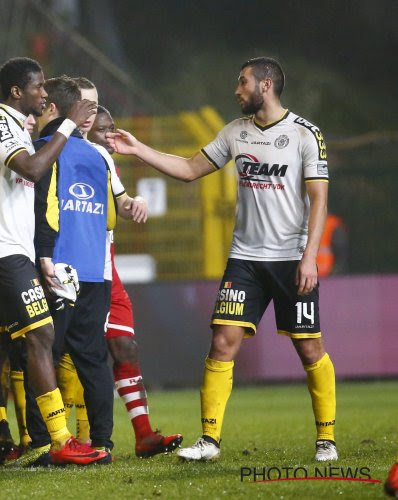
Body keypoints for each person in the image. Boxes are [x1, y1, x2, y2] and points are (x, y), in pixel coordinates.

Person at [108, 57, 337, 462]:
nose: (237, 89)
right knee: (221, 343)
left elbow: (318, 199)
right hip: (245, 259)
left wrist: (308, 258)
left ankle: (326, 440)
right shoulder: (236, 132)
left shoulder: (306, 134)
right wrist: (137, 148)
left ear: (265, 85)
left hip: (290, 259)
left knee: (309, 348)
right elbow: (188, 169)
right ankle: (210, 442)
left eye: (242, 82)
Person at [0, 57, 106, 470]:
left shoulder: (19, 126)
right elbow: (33, 169)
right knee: (41, 336)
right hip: (0, 251)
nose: (43, 94)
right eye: (37, 87)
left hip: (9, 250)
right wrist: (69, 124)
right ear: (16, 92)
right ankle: (59, 438)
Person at [14, 76, 143, 466]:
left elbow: (44, 209)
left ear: (51, 107)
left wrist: (42, 256)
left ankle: (41, 442)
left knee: (42, 354)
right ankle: (103, 441)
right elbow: (110, 215)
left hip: (57, 268)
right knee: (90, 357)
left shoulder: (41, 151)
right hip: (94, 272)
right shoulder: (100, 155)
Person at [88, 105, 183, 458]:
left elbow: (122, 203)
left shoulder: (105, 160)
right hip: (77, 268)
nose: (109, 136)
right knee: (72, 357)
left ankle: (143, 435)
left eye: (113, 128)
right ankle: (58, 439)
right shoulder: (73, 157)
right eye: (102, 130)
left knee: (125, 346)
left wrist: (137, 200)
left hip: (105, 265)